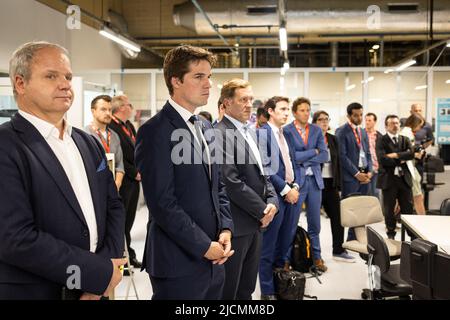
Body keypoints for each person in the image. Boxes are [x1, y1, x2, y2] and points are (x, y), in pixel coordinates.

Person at [0, 41, 126, 300]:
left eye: (67, 76)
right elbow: (15, 238)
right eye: (51, 76)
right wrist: (95, 275)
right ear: (20, 83)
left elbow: (113, 205)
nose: (65, 84)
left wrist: (107, 268)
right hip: (38, 290)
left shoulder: (87, 143)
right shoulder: (7, 145)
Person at [135, 45, 234, 300]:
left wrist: (225, 229)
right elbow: (162, 204)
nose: (208, 84)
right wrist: (204, 246)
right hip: (178, 262)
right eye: (199, 77)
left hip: (215, 257)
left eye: (209, 77)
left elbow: (218, 186)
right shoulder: (155, 131)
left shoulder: (204, 126)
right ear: (176, 81)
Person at [215, 79, 278, 300]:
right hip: (237, 225)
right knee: (230, 290)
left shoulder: (250, 132)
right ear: (226, 103)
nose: (249, 104)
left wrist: (272, 203)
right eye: (243, 100)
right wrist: (262, 210)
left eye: (251, 99)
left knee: (247, 289)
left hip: (255, 225)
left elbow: (264, 174)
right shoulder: (219, 133)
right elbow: (230, 181)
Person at [257, 96, 302, 299]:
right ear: (271, 111)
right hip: (275, 197)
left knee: (285, 243)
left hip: (292, 195)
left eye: (287, 109)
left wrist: (296, 186)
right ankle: (267, 291)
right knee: (269, 245)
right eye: (282, 109)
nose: (286, 113)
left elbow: (293, 163)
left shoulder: (287, 134)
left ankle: (280, 284)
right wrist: (285, 189)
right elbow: (264, 169)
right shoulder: (261, 134)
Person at [283, 97, 328, 272]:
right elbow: (291, 157)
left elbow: (324, 155)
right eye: (302, 110)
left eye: (308, 110)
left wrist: (305, 159)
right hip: (296, 183)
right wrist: (312, 152)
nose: (306, 113)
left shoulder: (316, 130)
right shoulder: (287, 131)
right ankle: (286, 259)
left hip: (315, 182)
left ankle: (316, 257)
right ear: (295, 112)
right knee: (291, 222)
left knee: (315, 223)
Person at [312, 111, 355, 263]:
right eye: (320, 119)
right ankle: (313, 255)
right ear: (314, 122)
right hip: (315, 183)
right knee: (313, 221)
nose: (324, 122)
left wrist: (339, 185)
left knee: (338, 218)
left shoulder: (333, 139)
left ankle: (338, 250)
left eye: (326, 119)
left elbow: (338, 164)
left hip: (331, 184)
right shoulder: (310, 139)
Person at [109, 94, 141, 268]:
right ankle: (123, 260)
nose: (132, 107)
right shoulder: (112, 128)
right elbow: (118, 157)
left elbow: (136, 149)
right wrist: (133, 172)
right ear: (121, 108)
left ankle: (129, 255)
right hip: (124, 180)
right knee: (121, 222)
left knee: (129, 220)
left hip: (134, 181)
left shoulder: (128, 125)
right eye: (129, 104)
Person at [335, 102, 373, 241]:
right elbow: (342, 156)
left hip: (365, 175)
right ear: (349, 115)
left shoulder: (362, 131)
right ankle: (349, 240)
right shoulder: (341, 131)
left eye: (361, 115)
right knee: (351, 210)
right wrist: (357, 174)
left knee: (362, 209)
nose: (359, 117)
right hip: (351, 177)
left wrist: (369, 171)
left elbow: (367, 152)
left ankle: (355, 238)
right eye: (356, 115)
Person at [376, 115, 415, 239]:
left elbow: (411, 154)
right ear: (386, 126)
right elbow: (382, 159)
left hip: (404, 179)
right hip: (389, 179)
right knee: (389, 210)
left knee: (408, 208)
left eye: (397, 123)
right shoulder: (381, 140)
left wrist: (395, 155)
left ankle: (411, 234)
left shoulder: (405, 139)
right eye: (392, 123)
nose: (395, 125)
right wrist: (401, 159)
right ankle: (391, 233)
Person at [85, 95, 125, 190]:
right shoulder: (84, 135)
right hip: (93, 188)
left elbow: (120, 165)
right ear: (93, 111)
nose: (108, 113)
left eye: (110, 110)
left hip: (113, 189)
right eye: (103, 109)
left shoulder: (114, 136)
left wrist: (117, 184)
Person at [400, 113, 427, 215]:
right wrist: (415, 155)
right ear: (415, 123)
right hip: (408, 169)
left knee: (401, 200)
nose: (420, 128)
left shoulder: (406, 132)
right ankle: (423, 222)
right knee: (418, 197)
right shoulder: (407, 133)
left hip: (408, 168)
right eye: (419, 125)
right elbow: (402, 153)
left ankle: (391, 222)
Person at [365, 112, 383, 199]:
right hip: (365, 168)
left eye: (369, 120)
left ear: (375, 122)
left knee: (376, 193)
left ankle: (376, 212)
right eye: (366, 120)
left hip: (377, 168)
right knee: (365, 193)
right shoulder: (361, 134)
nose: (367, 122)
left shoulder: (380, 136)